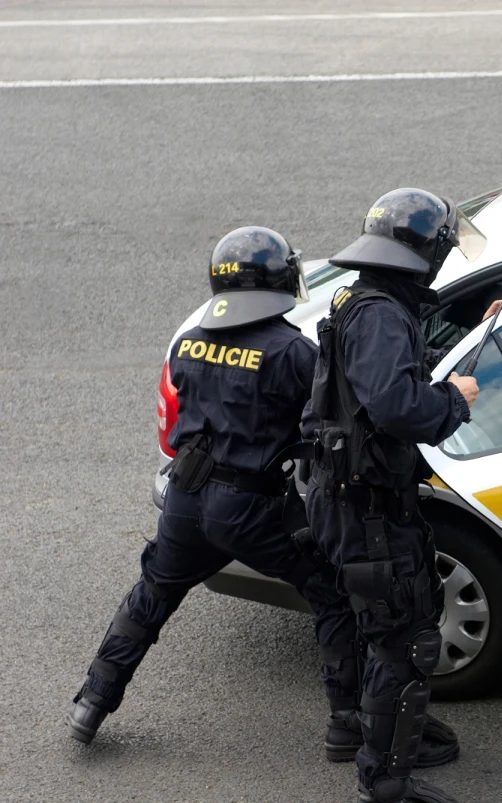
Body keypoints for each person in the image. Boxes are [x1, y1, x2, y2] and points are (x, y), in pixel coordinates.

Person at [66, 227, 361, 759]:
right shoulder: (292, 350)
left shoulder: (190, 341)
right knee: (331, 591)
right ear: (278, 281)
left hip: (184, 495)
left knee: (152, 593)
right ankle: (346, 724)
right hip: (250, 506)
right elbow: (327, 419)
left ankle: (91, 703)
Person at [306, 188, 486, 803]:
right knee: (404, 641)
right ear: (423, 253)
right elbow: (396, 405)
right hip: (369, 508)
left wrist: (454, 343)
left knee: (384, 626)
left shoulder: (361, 297)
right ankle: (383, 779)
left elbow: (377, 381)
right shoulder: (381, 313)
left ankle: (386, 734)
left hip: (352, 499)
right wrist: (456, 399)